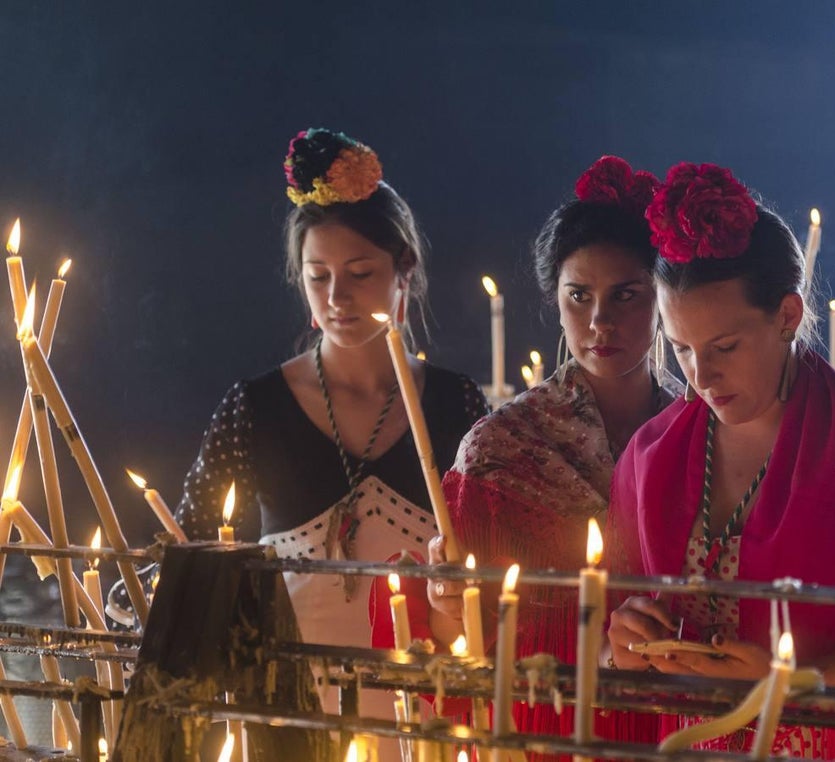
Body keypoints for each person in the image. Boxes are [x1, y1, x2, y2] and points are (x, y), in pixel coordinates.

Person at [606, 162, 835, 760]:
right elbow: (614, 629)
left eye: (725, 347)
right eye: (679, 349)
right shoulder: (650, 458)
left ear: (787, 315)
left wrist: (787, 681)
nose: (700, 377)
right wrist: (625, 643)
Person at [166, 129, 488, 723]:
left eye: (360, 273)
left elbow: (493, 557)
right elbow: (187, 545)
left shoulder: (455, 404)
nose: (337, 296)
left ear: (404, 272)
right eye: (318, 277)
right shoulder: (256, 407)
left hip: (423, 711)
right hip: (288, 710)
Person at [414, 156, 682, 757]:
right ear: (554, 299)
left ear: (663, 298)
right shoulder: (501, 448)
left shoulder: (696, 438)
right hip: (543, 728)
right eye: (579, 296)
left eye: (627, 295)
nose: (599, 321)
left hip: (671, 730)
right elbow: (467, 642)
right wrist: (446, 600)